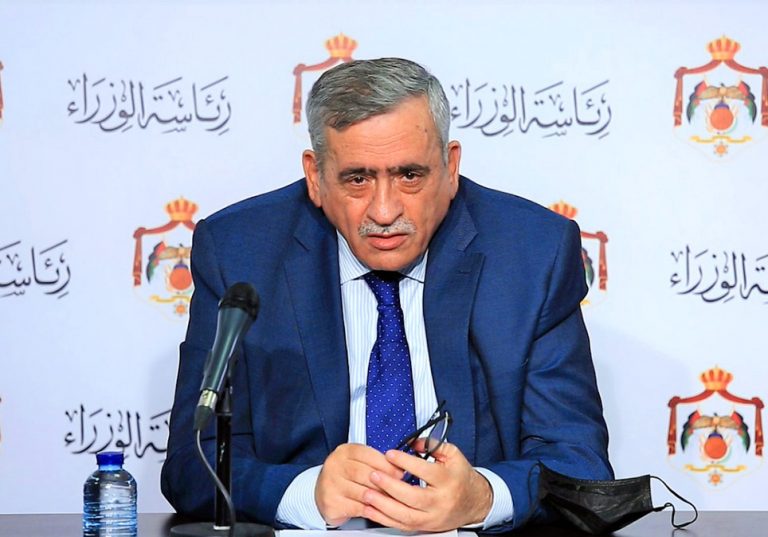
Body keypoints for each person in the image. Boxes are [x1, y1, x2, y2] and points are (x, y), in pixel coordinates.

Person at [161, 57, 612, 532]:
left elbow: (579, 463)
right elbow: (193, 461)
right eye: (357, 179)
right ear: (315, 177)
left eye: (409, 176)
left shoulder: (533, 253)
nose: (384, 210)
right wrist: (303, 493)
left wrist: (481, 497)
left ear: (450, 167)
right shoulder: (238, 252)